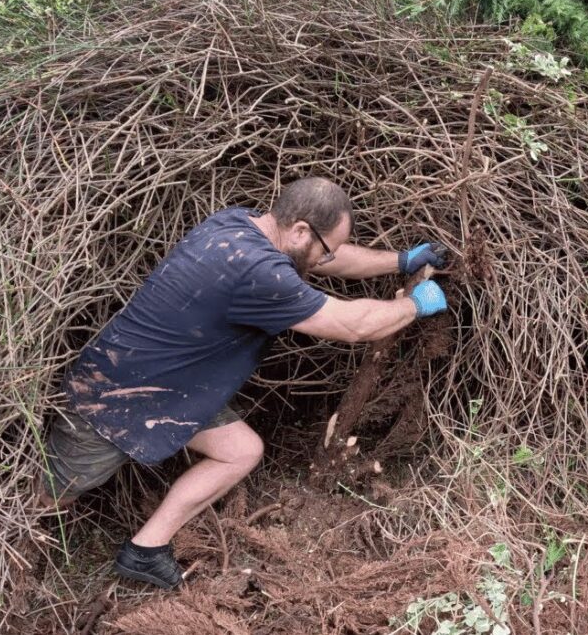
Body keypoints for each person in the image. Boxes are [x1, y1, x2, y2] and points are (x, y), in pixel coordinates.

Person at [36, 177, 448, 589]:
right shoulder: (258, 274)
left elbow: (327, 260)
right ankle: (2, 560)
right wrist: (413, 305)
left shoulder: (235, 224)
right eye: (327, 247)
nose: (327, 259)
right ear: (301, 230)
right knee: (51, 495)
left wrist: (399, 261)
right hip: (114, 395)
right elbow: (352, 325)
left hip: (177, 387)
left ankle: (144, 550)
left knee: (239, 451)